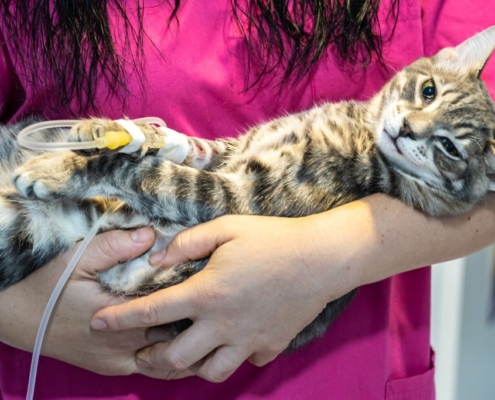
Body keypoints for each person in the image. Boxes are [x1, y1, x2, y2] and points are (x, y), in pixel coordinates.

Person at [0, 0, 494, 399]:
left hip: (329, 376)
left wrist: (322, 256)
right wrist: (15, 314)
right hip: (62, 350)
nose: (411, 123)